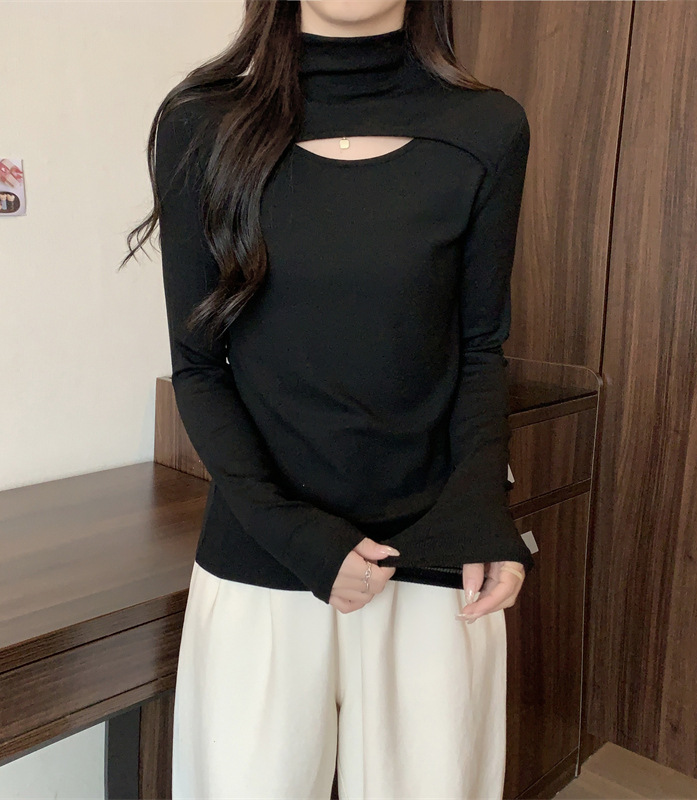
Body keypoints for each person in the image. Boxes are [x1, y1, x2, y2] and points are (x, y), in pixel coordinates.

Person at [122, 1, 535, 797]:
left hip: (434, 554)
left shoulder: (488, 128)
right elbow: (199, 368)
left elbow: (481, 349)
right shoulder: (200, 125)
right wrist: (300, 539)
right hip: (263, 556)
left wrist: (485, 514)